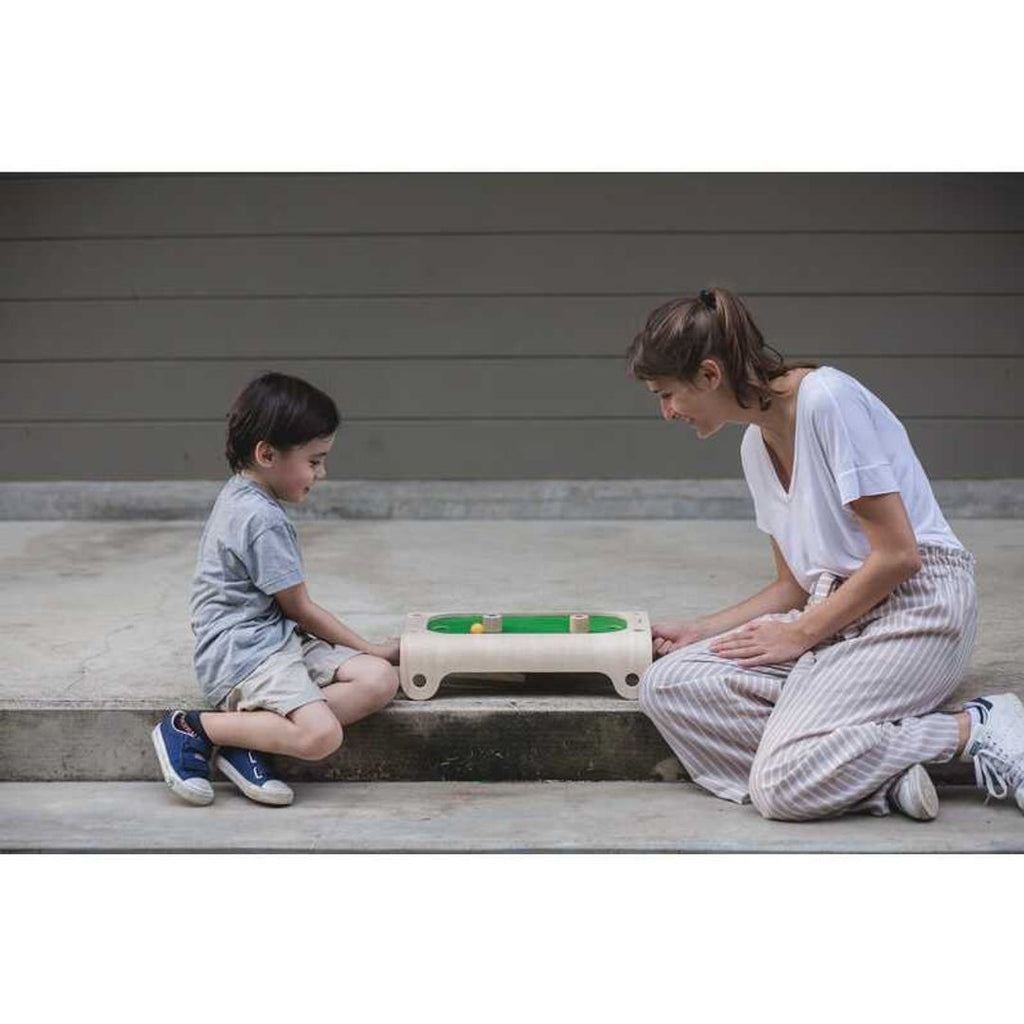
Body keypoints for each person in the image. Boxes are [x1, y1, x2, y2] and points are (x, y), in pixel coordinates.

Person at [627, 286, 1024, 821]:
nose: (667, 412)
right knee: (669, 683)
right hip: (836, 613)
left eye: (667, 394)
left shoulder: (826, 400)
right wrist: (704, 630)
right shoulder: (754, 446)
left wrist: (800, 633)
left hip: (919, 607)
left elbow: (899, 556)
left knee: (782, 786)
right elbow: (792, 586)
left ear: (709, 375)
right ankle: (878, 778)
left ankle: (969, 726)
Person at [151, 372, 400, 807]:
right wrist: (372, 647)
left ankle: (250, 738)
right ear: (267, 453)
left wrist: (373, 660)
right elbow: (301, 609)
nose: (322, 473)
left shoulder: (246, 496)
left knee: (379, 681)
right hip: (244, 653)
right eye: (315, 460)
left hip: (273, 639)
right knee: (322, 733)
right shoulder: (261, 519)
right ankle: (194, 728)